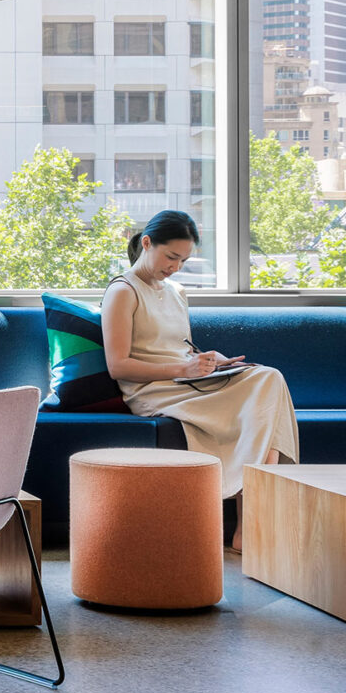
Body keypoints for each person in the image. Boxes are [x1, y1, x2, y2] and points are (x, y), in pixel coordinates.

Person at [101, 209, 300, 552]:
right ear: (146, 243)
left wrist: (210, 361)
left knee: (268, 379)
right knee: (267, 392)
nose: (176, 267)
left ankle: (252, 521)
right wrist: (184, 370)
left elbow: (178, 351)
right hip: (154, 390)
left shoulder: (176, 291)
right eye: (171, 256)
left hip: (187, 381)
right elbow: (118, 366)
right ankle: (252, 523)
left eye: (184, 259)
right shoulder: (123, 291)